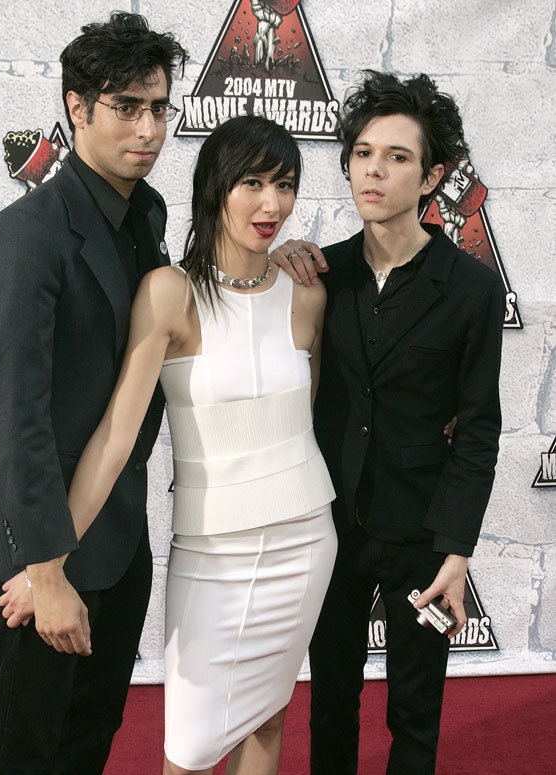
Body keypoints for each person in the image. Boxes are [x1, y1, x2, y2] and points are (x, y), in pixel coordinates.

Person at [2, 114, 337, 774]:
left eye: (286, 185)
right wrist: (47, 557)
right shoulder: (169, 294)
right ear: (214, 186)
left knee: (268, 716)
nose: (272, 204)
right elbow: (114, 440)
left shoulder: (306, 297)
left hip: (304, 539)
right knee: (185, 747)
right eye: (252, 183)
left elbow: (311, 421)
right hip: (211, 551)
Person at [0, 12, 187, 774]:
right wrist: (47, 568)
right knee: (23, 748)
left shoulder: (146, 217)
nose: (148, 127)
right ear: (76, 108)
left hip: (121, 538)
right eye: (126, 106)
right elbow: (15, 418)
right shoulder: (26, 233)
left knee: (88, 738)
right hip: (43, 544)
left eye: (159, 107)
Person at [271, 70, 505, 774]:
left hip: (424, 539)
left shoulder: (470, 287)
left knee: (415, 712)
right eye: (363, 152)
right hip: (330, 525)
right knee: (330, 704)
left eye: (397, 157)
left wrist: (456, 551)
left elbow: (480, 429)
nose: (373, 169)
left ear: (433, 174)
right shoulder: (320, 273)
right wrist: (273, 261)